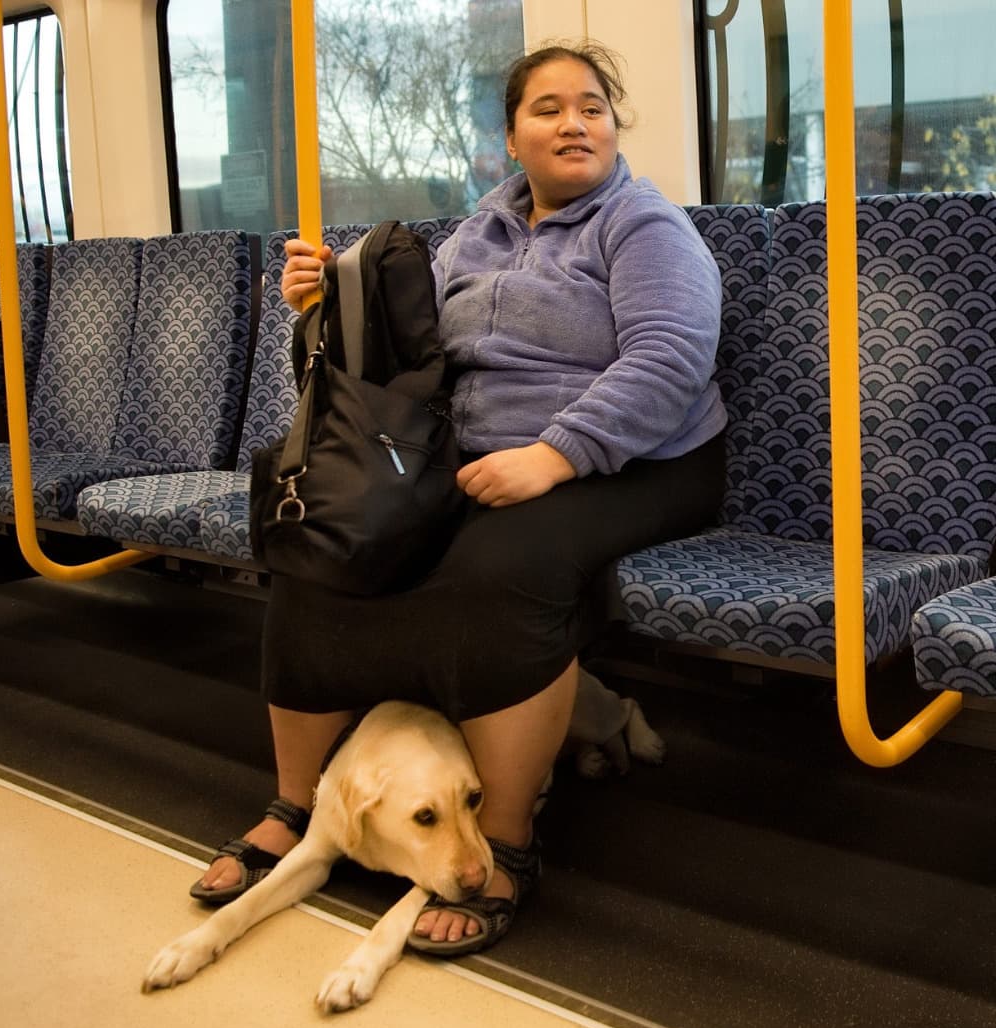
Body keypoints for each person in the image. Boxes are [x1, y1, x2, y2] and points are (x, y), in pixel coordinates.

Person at [193, 41, 727, 955]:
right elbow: (408, 354)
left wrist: (555, 456)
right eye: (549, 108)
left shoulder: (641, 225)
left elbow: (668, 363)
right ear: (512, 137)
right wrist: (323, 305)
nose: (574, 122)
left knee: (500, 568)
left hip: (641, 460)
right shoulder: (473, 236)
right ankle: (297, 799)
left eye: (592, 106)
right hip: (477, 457)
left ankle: (506, 845)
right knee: (319, 550)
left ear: (613, 125)